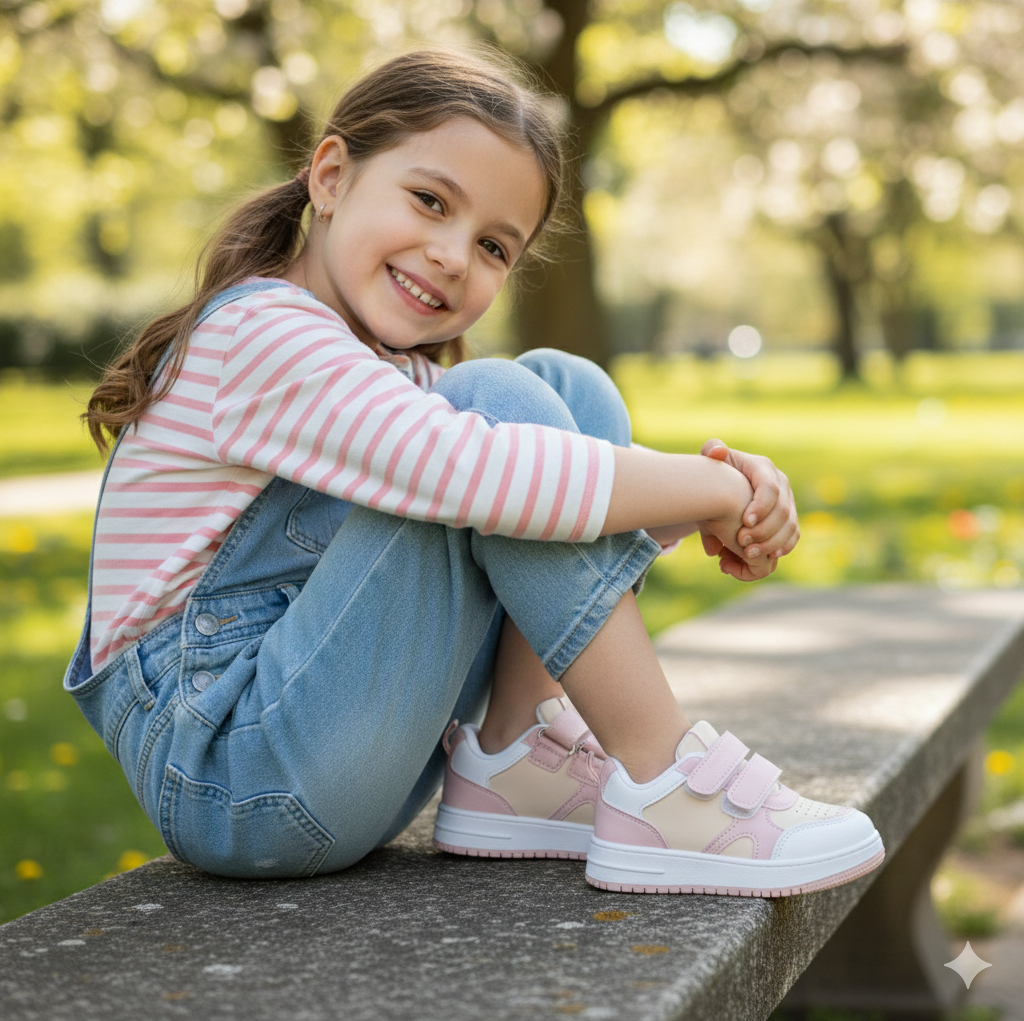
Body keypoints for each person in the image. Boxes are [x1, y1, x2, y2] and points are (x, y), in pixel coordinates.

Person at [69, 47, 883, 896]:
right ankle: (667, 782)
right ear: (332, 175)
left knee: (565, 389)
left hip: (326, 755)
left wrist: (733, 489)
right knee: (498, 400)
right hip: (232, 779)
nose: (454, 255)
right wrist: (714, 490)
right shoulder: (259, 335)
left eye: (494, 245)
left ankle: (516, 764)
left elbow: (543, 488)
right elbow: (489, 472)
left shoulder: (384, 374)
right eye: (429, 201)